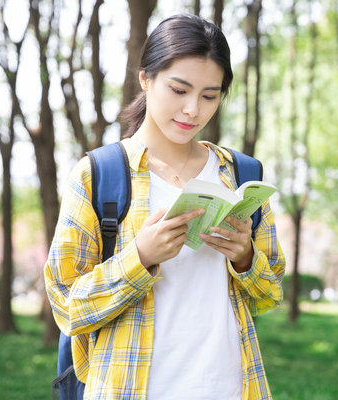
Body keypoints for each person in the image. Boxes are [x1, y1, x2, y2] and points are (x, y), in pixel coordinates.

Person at [44, 14, 285, 400]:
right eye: (179, 90)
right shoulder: (99, 174)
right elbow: (68, 307)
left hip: (229, 387)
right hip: (130, 388)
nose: (193, 109)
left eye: (209, 96)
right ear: (146, 78)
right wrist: (140, 257)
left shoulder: (239, 174)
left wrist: (244, 257)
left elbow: (269, 294)